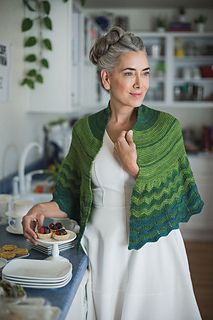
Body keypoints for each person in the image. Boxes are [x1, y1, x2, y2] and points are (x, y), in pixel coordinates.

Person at [22, 26, 204, 320]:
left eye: (145, 73)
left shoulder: (164, 128)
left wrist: (132, 166)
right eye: (129, 73)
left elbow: (175, 200)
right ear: (107, 78)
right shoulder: (86, 130)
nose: (140, 84)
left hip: (152, 253)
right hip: (104, 249)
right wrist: (41, 207)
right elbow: (72, 194)